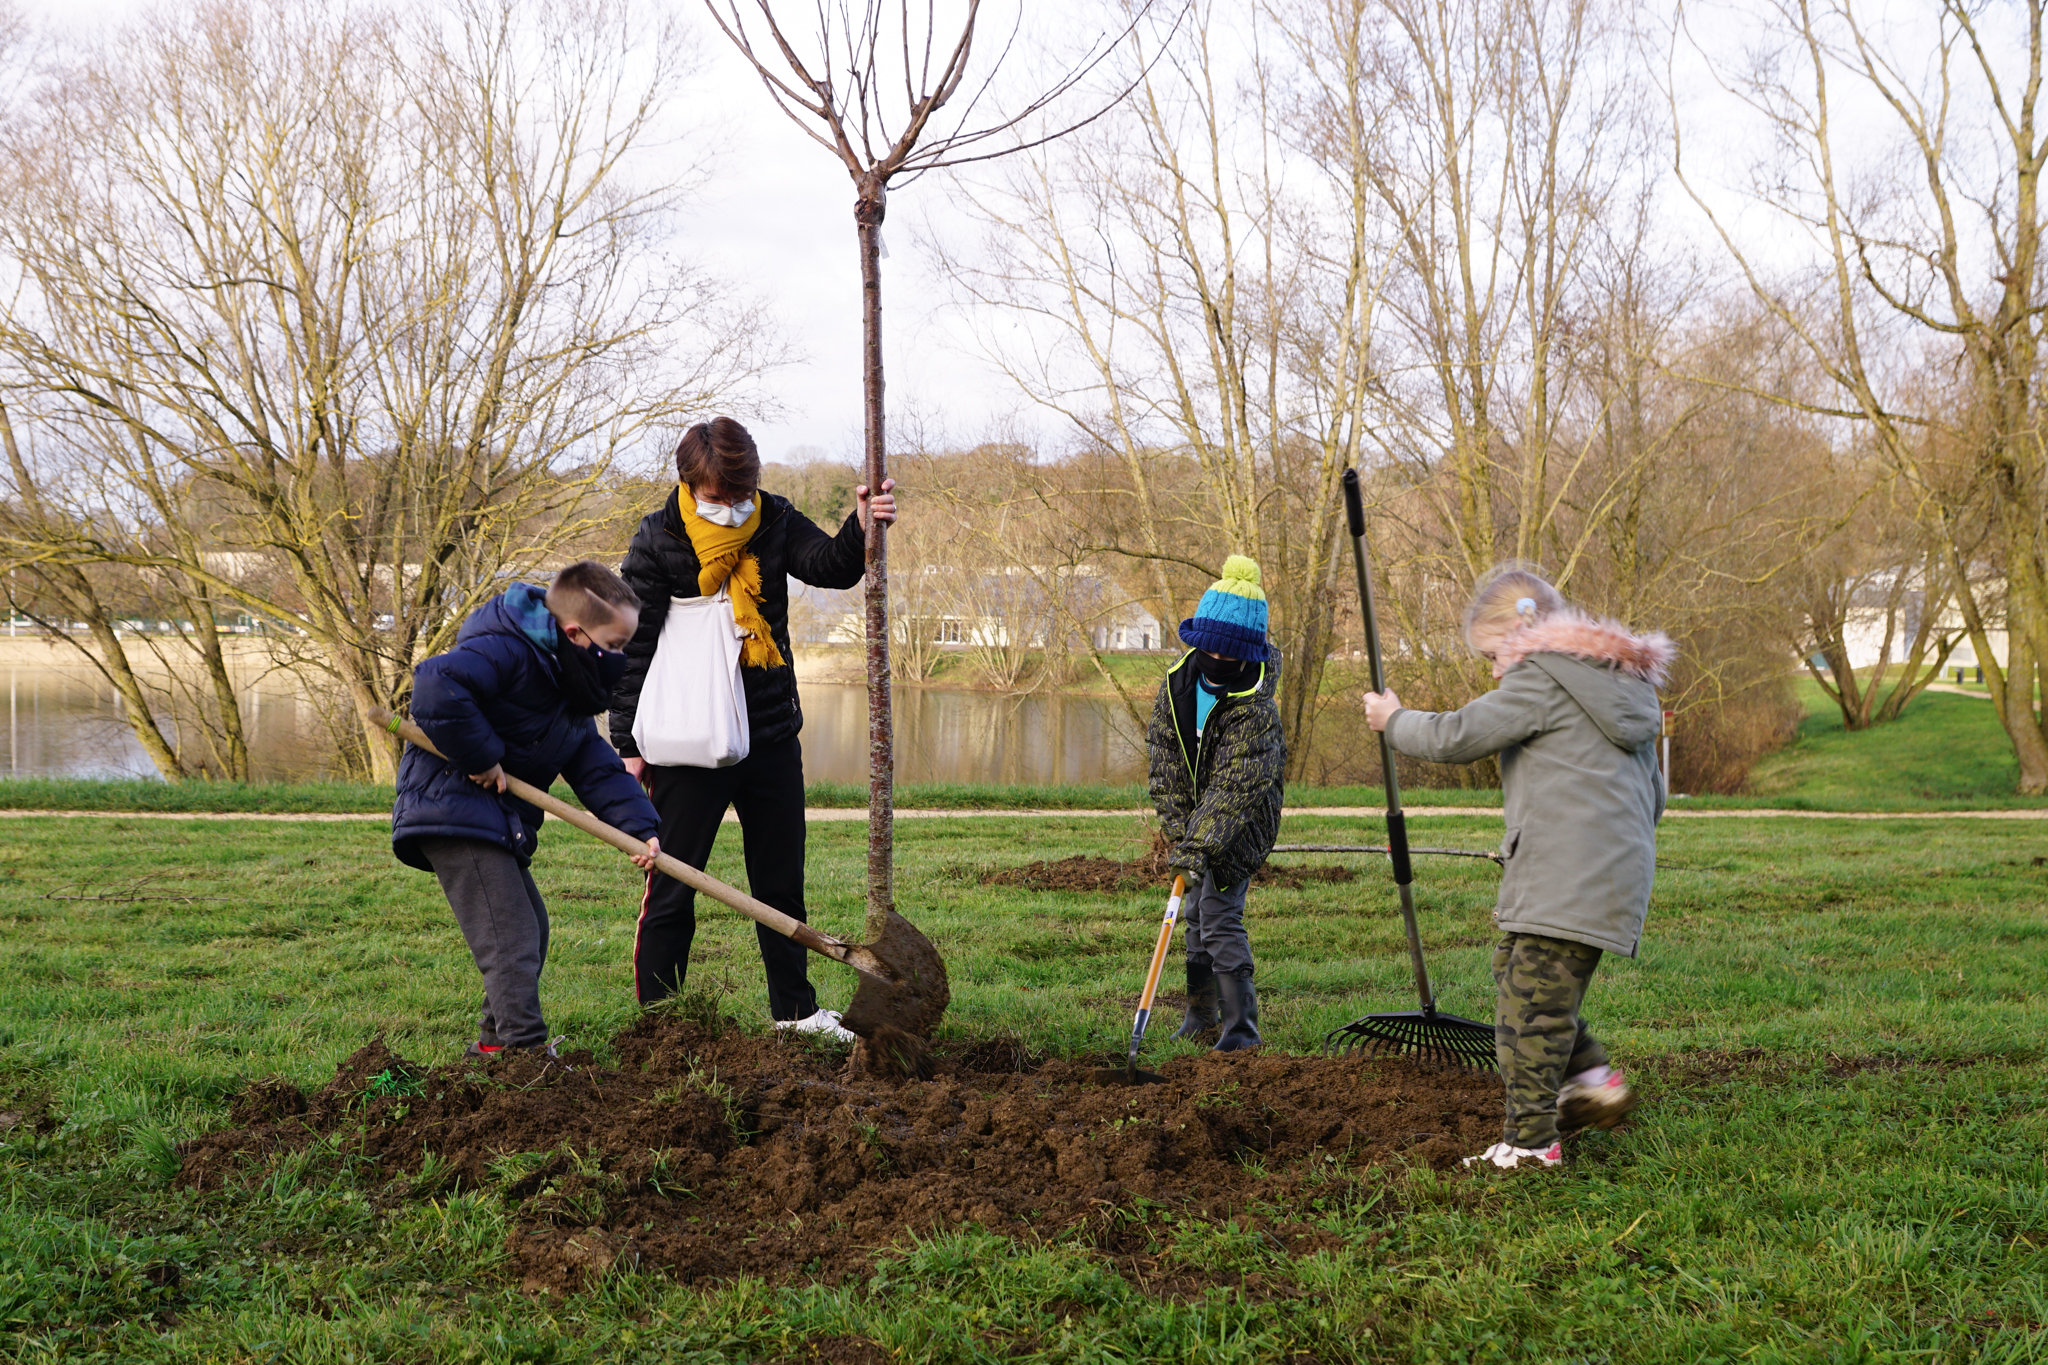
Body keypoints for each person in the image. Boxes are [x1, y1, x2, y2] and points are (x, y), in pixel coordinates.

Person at [1363, 565, 1672, 1170]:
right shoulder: (1615, 687)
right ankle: (1593, 1081)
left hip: (1567, 874)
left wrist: (1393, 720)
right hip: (1609, 873)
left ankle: (1531, 1143)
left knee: (1528, 1007)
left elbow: (1458, 736)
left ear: (1522, 636)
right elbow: (1653, 795)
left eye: (1491, 655)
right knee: (1522, 980)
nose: (1493, 671)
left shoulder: (1542, 678)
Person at [610, 416, 896, 1038]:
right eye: (719, 497)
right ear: (690, 484)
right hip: (687, 742)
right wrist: (627, 746)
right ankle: (660, 1022)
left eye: (743, 492)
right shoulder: (658, 539)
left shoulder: (771, 517)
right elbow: (633, 648)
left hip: (767, 734)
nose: (734, 506)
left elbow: (830, 567)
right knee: (672, 886)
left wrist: (862, 523)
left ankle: (793, 1013)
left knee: (779, 884)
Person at [391, 561, 663, 1058]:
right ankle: (525, 1055)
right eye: (616, 644)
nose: (619, 657)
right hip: (453, 809)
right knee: (510, 939)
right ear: (575, 632)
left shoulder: (569, 677)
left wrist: (639, 827)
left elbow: (594, 764)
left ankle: (494, 1051)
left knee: (529, 931)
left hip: (495, 817)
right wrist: (481, 756)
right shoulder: (508, 648)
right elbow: (436, 684)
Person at [1146, 554, 1287, 1052]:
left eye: (1231, 655)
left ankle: (1241, 1028)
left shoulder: (1256, 710)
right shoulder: (1178, 686)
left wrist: (1201, 844)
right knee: (1195, 916)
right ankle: (1199, 1014)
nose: (1219, 662)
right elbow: (1164, 760)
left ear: (1249, 655)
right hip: (1195, 828)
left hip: (1241, 826)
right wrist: (1180, 831)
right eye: (1211, 650)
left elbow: (1235, 790)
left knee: (1220, 916)